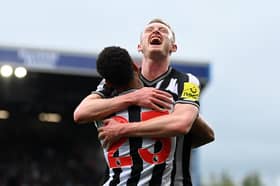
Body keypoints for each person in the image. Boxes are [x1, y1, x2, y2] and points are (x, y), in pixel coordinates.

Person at [74, 18, 214, 186]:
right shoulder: (120, 79)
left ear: (173, 47)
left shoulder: (187, 82)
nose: (156, 31)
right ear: (139, 47)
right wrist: (134, 97)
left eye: (163, 30)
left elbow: (193, 128)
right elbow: (81, 113)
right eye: (150, 30)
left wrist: (124, 129)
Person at [94, 46, 176, 185]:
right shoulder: (167, 103)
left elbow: (81, 113)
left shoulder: (100, 114)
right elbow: (207, 135)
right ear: (135, 66)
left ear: (107, 82)